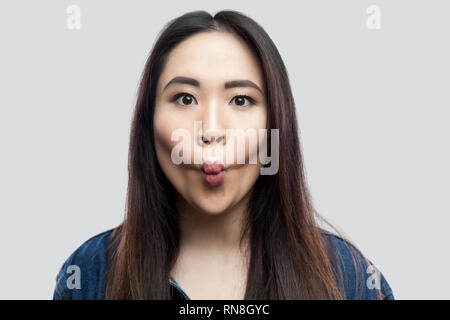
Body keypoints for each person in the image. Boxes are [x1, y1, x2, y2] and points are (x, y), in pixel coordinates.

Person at [53, 10, 394, 300]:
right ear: (149, 121)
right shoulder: (89, 273)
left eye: (240, 100)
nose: (212, 131)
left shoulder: (350, 278)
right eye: (185, 99)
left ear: (275, 124)